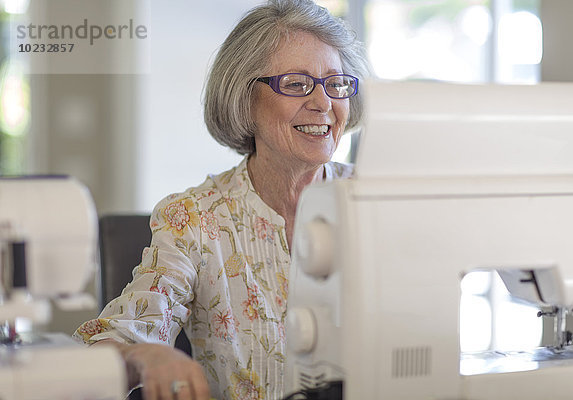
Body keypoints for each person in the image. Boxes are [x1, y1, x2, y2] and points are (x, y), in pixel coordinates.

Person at [74, 0, 368, 399]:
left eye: (336, 84)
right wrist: (144, 356)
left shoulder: (378, 200)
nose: (323, 103)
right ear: (245, 98)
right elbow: (104, 347)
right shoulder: (195, 220)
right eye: (297, 83)